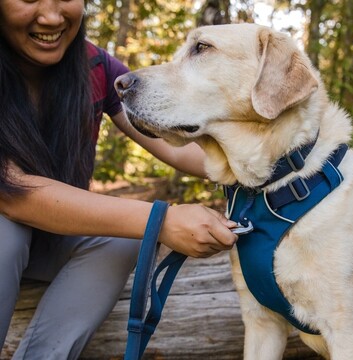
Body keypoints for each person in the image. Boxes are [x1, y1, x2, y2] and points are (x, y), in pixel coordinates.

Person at [0, 0, 238, 358]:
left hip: (45, 245)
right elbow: (12, 193)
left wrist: (262, 162)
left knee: (122, 238)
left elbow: (173, 147)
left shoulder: (93, 66)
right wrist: (163, 220)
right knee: (6, 233)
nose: (50, 16)